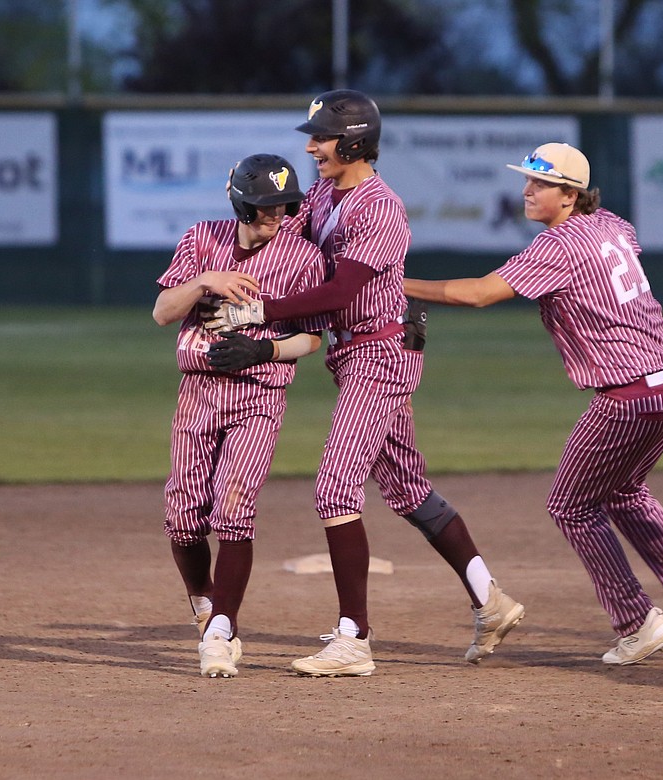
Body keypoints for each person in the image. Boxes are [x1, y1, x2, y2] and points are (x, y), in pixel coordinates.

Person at [204, 90, 524, 675]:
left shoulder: (379, 208)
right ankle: (492, 599)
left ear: (352, 141)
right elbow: (281, 224)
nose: (310, 146)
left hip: (381, 350)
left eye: (320, 136)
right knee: (406, 488)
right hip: (354, 352)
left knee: (334, 490)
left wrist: (259, 316)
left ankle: (355, 638)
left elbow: (337, 293)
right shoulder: (326, 192)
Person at [401, 142, 663, 665]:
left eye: (539, 184)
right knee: (624, 491)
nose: (526, 191)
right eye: (527, 181)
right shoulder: (612, 224)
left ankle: (636, 622)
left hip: (629, 393)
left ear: (571, 194)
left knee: (572, 504)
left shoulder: (560, 245)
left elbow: (479, 294)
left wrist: (398, 284)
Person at [153, 153, 329, 678]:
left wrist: (264, 351)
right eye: (264, 206)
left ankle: (222, 629)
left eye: (283, 205)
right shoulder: (202, 238)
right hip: (199, 389)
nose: (275, 215)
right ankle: (206, 606)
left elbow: (311, 337)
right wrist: (207, 280)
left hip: (259, 395)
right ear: (240, 202)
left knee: (234, 507)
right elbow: (163, 312)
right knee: (183, 515)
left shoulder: (303, 257)